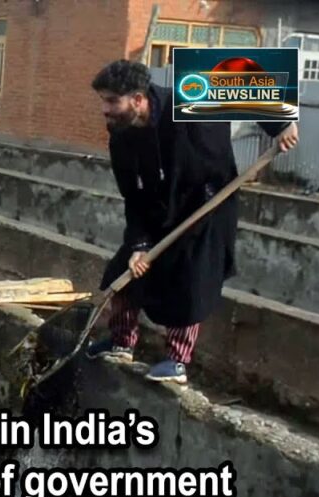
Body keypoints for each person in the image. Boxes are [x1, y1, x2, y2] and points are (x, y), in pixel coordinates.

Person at [85, 60, 299, 384]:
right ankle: (121, 342)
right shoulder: (122, 138)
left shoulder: (188, 101)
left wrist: (280, 123)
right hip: (159, 211)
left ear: (139, 99)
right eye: (103, 100)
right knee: (125, 274)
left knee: (190, 280)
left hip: (207, 206)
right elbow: (134, 196)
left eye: (112, 101)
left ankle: (177, 362)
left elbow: (238, 76)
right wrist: (139, 245)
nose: (105, 109)